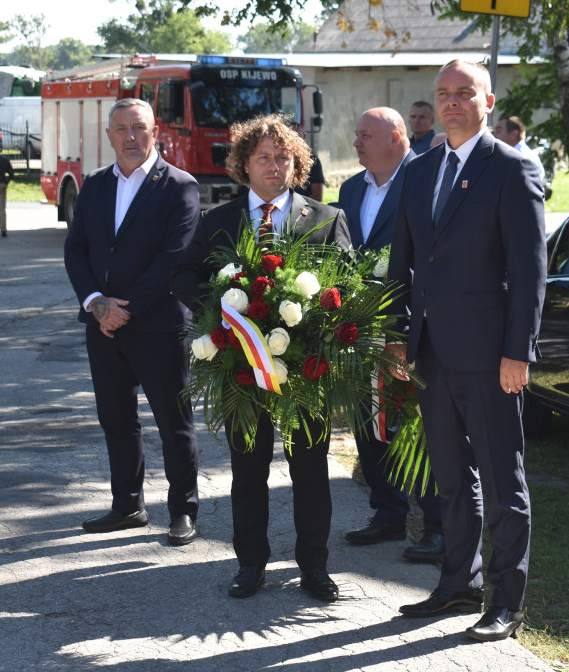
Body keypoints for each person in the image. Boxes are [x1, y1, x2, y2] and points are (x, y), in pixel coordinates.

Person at [385, 59, 546, 643]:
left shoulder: (512, 168)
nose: (451, 102)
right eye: (442, 94)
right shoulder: (419, 168)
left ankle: (506, 601)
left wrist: (518, 352)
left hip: (489, 356)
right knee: (451, 479)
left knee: (503, 481)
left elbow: (530, 271)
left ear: (488, 101)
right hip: (429, 353)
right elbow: (404, 260)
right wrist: (398, 336)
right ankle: (459, 584)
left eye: (463, 93)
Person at [170, 114, 352, 603]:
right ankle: (250, 564)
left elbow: (348, 287)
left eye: (283, 157)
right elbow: (183, 275)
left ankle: (314, 566)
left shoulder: (325, 218)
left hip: (306, 372)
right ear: (243, 165)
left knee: (311, 471)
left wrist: (319, 324)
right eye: (264, 158)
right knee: (247, 470)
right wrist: (222, 309)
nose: (275, 165)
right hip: (240, 366)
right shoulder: (219, 221)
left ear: (297, 164)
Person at [64, 99, 201, 547]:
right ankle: (127, 505)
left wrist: (125, 310)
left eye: (138, 128)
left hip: (158, 327)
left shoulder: (179, 186)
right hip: (102, 328)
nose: (129, 137)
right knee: (116, 420)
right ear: (108, 135)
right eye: (120, 129)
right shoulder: (96, 185)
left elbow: (174, 259)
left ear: (155, 131)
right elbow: (76, 249)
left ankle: (182, 510)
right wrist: (96, 303)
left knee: (172, 423)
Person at [337, 107, 445, 563]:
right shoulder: (349, 188)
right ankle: (387, 512)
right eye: (356, 134)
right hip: (360, 329)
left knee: (418, 430)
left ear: (397, 137)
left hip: (411, 326)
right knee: (368, 422)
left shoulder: (423, 179)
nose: (356, 142)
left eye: (366, 135)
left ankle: (437, 525)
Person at [291, 123, 325, 201]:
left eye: (299, 136)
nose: (295, 140)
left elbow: (317, 197)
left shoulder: (312, 161)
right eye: (291, 136)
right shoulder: (275, 161)